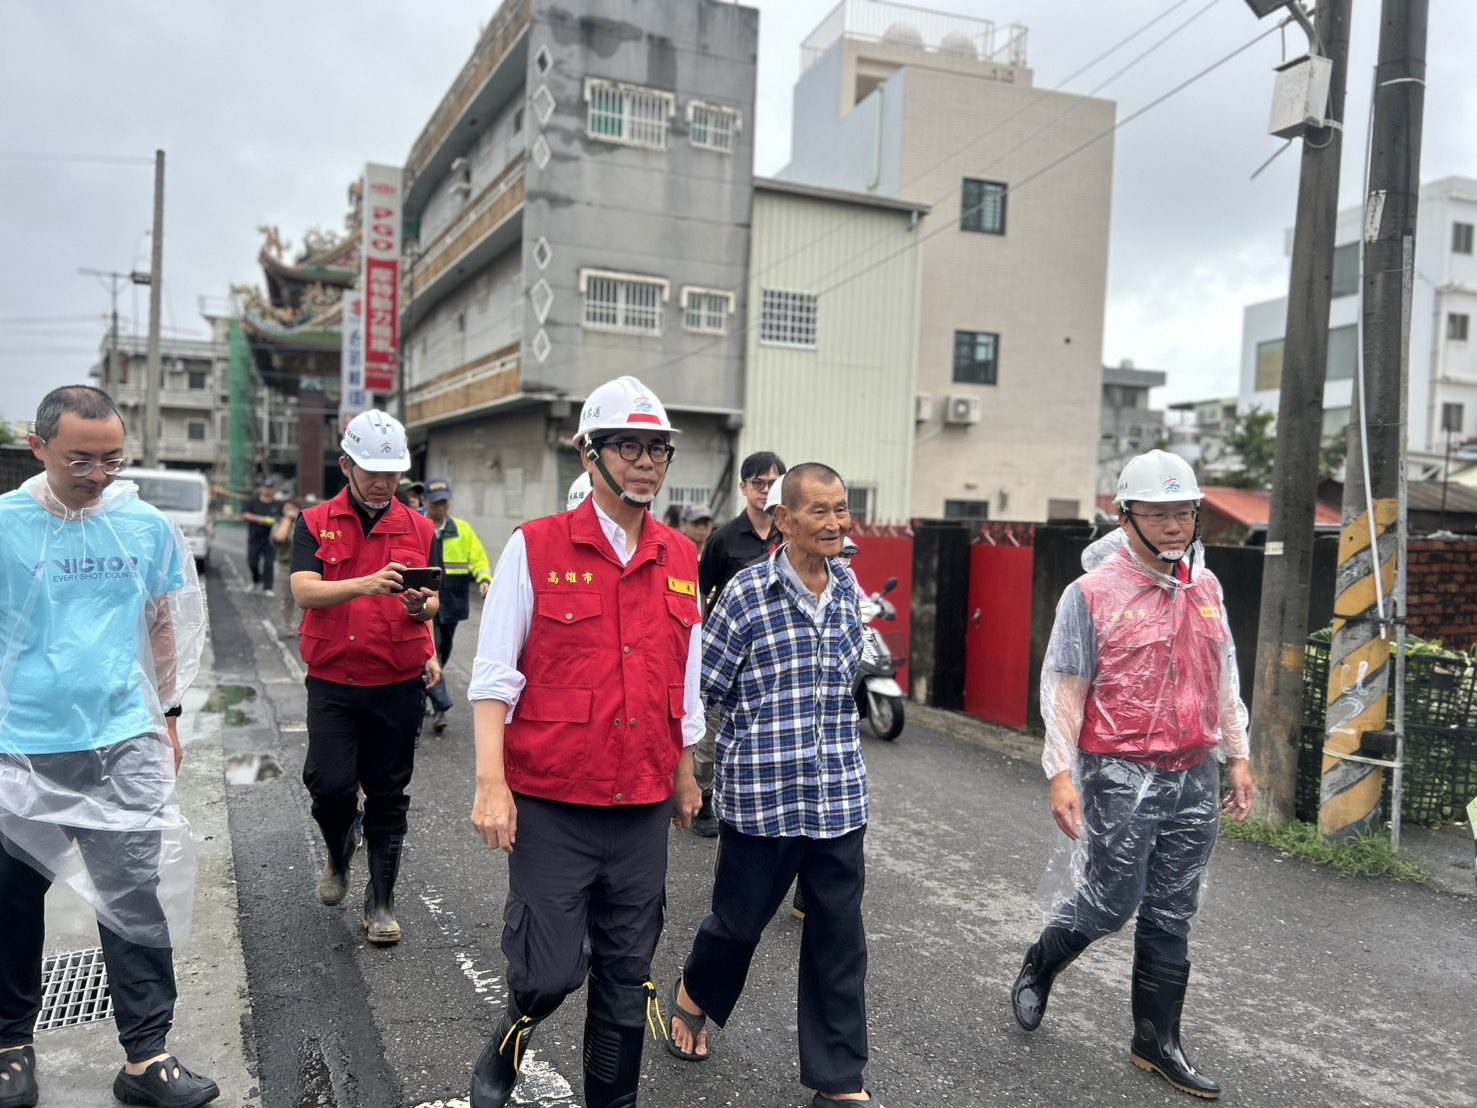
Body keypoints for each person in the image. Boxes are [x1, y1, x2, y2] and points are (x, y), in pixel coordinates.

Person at [466, 375, 703, 1108]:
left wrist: (686, 775)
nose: (645, 462)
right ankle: (513, 1030)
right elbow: (493, 675)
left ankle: (613, 1100)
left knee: (627, 972)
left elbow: (683, 682)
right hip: (552, 802)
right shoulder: (534, 548)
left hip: (640, 801)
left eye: (657, 448)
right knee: (546, 972)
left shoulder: (680, 558)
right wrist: (490, 784)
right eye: (627, 446)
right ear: (588, 452)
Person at [1010, 449, 1254, 1101]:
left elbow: (1223, 675)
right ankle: (1040, 963)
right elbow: (1064, 689)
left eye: (1185, 512)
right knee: (1112, 902)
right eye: (1159, 513)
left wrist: (1238, 754)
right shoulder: (1090, 595)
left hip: (1193, 773)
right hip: (1117, 773)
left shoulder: (1205, 589)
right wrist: (1059, 773)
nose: (1175, 525)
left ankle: (1155, 1043)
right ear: (1126, 517)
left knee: (1174, 910)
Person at [0, 385, 218, 1107]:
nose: (98, 475)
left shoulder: (144, 527)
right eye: (80, 461)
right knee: (10, 899)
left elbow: (163, 623)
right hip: (18, 745)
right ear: (39, 449)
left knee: (134, 899)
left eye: (112, 461)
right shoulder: (4, 526)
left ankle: (146, 1058)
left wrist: (170, 716)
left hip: (123, 739)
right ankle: (9, 1046)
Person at [667, 463, 883, 1108]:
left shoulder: (847, 589)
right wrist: (687, 772)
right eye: (818, 511)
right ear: (783, 521)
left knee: (839, 940)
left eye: (841, 509)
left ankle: (840, 1078)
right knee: (737, 926)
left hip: (838, 793)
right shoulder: (745, 594)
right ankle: (694, 993)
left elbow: (847, 679)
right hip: (764, 797)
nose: (834, 523)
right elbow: (706, 691)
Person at [288, 410, 442, 947]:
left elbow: (432, 602)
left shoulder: (421, 527)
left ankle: (381, 903)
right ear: (346, 464)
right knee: (329, 786)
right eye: (372, 469)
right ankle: (338, 850)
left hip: (396, 680)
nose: (383, 482)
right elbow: (305, 590)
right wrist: (365, 584)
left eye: (392, 472)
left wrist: (423, 609)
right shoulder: (313, 522)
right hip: (332, 678)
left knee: (388, 793)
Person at [690, 451, 787, 837]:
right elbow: (698, 590)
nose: (765, 491)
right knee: (710, 733)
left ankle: (756, 801)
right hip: (728, 654)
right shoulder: (724, 538)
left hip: (772, 655)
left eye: (772, 483)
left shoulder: (790, 533)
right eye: (758, 483)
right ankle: (704, 798)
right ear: (743, 487)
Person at [422, 478, 493, 734]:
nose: (440, 507)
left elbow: (478, 558)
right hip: (425, 601)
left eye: (444, 502)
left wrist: (484, 580)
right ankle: (440, 704)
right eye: (435, 502)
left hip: (452, 603)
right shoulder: (417, 525)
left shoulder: (462, 529)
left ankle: (428, 693)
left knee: (443, 652)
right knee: (432, 652)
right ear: (424, 501)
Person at [240, 477, 279, 596]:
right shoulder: (253, 502)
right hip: (255, 538)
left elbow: (280, 518)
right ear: (261, 489)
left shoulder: (276, 504)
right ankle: (256, 579)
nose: (267, 491)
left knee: (269, 563)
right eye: (265, 488)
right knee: (252, 562)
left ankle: (268, 587)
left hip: (270, 540)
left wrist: (273, 521)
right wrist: (260, 519)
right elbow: (245, 515)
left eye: (270, 488)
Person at [271, 497, 303, 632]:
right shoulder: (279, 525)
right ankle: (288, 625)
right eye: (287, 508)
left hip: (303, 566)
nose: (290, 511)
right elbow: (279, 538)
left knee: (304, 598)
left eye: (293, 508)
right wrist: (288, 520)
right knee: (287, 597)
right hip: (285, 565)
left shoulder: (304, 524)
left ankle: (302, 626)